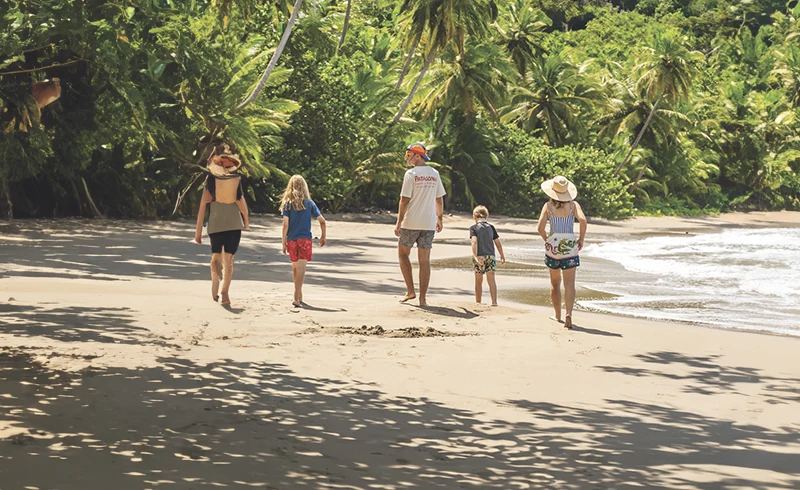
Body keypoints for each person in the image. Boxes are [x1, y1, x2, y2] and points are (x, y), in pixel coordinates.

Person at [194, 143, 249, 306]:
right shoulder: (211, 180)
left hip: (232, 225)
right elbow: (202, 206)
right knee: (216, 261)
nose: (227, 164)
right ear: (219, 163)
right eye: (224, 162)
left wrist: (246, 221)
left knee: (228, 260)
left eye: (229, 162)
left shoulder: (235, 180)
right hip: (217, 225)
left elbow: (241, 202)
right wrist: (197, 233)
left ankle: (224, 292)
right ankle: (216, 288)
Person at [394, 142, 446, 307]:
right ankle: (423, 299)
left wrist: (398, 223)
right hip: (428, 223)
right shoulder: (434, 173)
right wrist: (440, 218)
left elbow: (404, 200)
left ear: (418, 156)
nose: (407, 157)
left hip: (411, 222)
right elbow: (439, 198)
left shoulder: (411, 174)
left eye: (409, 154)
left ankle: (410, 291)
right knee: (424, 260)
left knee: (403, 254)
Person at [537, 175, 587, 329]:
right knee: (570, 283)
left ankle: (557, 314)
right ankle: (569, 314)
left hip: (553, 246)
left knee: (555, 282)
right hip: (569, 246)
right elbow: (583, 221)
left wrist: (548, 239)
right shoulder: (573, 206)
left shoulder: (548, 206)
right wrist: (581, 239)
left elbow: (539, 228)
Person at [280, 175, 327, 307]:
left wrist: (284, 242)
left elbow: (285, 225)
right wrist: (323, 236)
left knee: (295, 269)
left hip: (292, 240)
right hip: (305, 240)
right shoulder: (310, 203)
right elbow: (322, 221)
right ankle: (296, 297)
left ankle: (299, 295)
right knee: (301, 270)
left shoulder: (287, 204)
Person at [470, 205, 506, 306]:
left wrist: (475, 255)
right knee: (491, 280)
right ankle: (494, 302)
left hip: (480, 256)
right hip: (491, 256)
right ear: (487, 216)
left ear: (474, 216)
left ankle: (478, 301)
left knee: (478, 280)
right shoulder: (491, 227)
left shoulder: (474, 228)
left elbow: (474, 242)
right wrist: (502, 255)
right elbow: (497, 242)